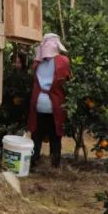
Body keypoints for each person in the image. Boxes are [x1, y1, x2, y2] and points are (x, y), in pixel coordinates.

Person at [27, 33, 71, 169]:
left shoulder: (37, 62)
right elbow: (67, 79)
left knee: (37, 134)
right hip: (55, 103)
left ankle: (33, 162)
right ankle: (54, 165)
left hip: (38, 102)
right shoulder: (63, 61)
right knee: (55, 135)